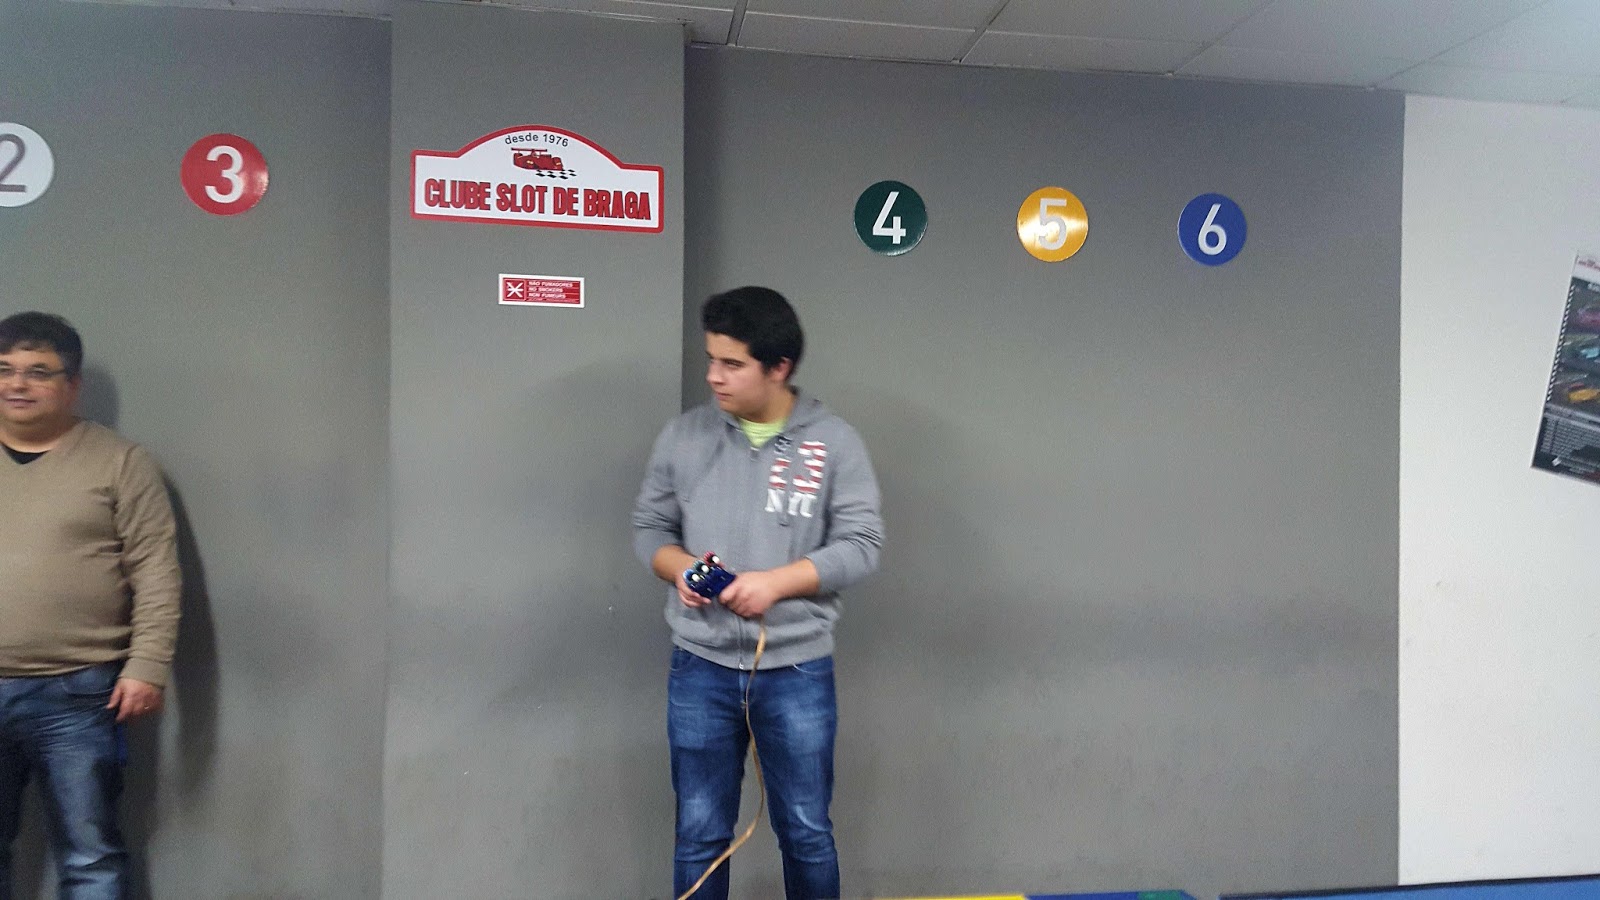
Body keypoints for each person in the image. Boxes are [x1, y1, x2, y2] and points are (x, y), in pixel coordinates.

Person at [633, 287, 883, 900]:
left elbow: (862, 544)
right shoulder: (684, 437)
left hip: (796, 671)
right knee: (699, 833)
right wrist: (682, 569)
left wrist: (776, 582)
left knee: (805, 832)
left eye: (732, 364)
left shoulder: (835, 443)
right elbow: (650, 530)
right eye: (711, 360)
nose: (714, 376)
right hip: (700, 666)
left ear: (779, 368)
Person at [0, 312, 181, 900]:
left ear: (72, 384)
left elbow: (156, 570)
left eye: (38, 372)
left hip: (78, 695)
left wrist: (147, 665)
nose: (16, 384)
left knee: (90, 856)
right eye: (4, 369)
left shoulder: (120, 462)